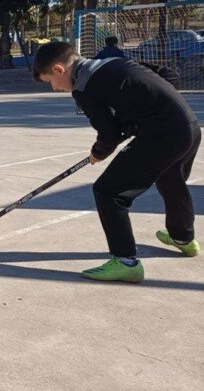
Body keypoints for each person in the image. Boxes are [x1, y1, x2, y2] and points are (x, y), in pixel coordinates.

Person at [32, 41, 200, 282]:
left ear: (59, 70)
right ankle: (183, 238)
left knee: (108, 191)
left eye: (50, 82)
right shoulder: (113, 61)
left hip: (162, 135)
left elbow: (109, 134)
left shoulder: (84, 88)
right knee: (171, 180)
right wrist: (154, 107)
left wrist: (97, 153)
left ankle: (125, 261)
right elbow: (167, 75)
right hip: (189, 127)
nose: (54, 88)